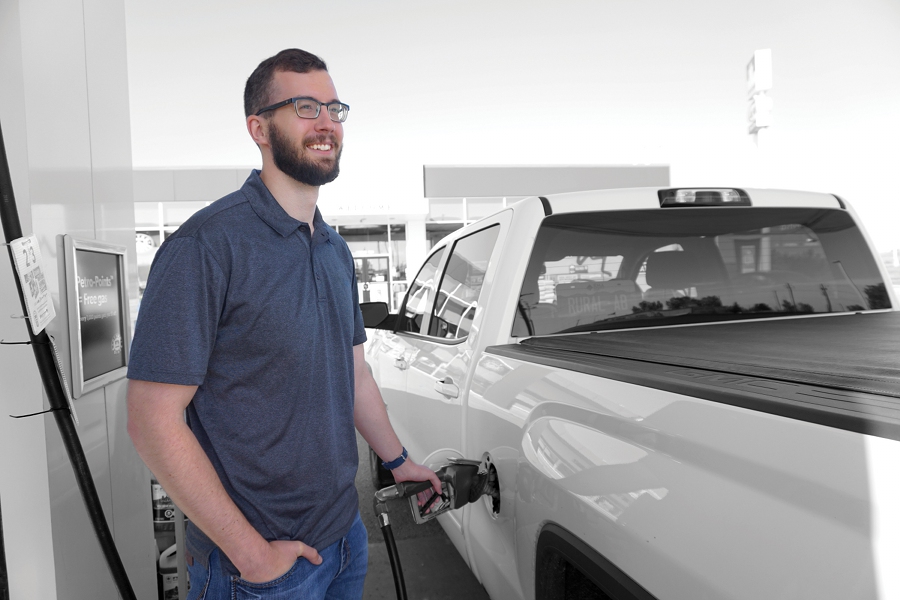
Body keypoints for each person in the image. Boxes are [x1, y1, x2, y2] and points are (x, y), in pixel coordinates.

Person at [126, 48, 441, 599]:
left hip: (343, 539)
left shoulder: (334, 249)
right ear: (259, 128)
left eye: (333, 108)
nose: (325, 123)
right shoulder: (205, 247)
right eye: (303, 106)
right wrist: (252, 555)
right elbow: (152, 420)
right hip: (256, 568)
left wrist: (398, 461)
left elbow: (355, 376)